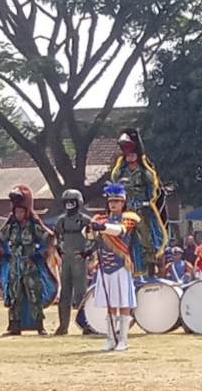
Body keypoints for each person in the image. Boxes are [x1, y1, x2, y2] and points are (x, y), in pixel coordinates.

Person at [0, 185, 59, 336]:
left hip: (30, 266)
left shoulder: (33, 224)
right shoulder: (11, 224)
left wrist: (40, 255)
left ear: (26, 211)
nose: (18, 214)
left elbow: (49, 237)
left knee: (34, 294)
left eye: (21, 211)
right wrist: (2, 252)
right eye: (16, 211)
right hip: (14, 265)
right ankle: (14, 326)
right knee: (14, 295)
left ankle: (39, 325)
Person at [83, 182, 140, 352]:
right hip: (105, 266)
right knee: (110, 305)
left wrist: (102, 227)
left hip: (120, 264)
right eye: (110, 201)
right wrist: (90, 228)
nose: (113, 204)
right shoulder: (101, 219)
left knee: (123, 302)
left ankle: (123, 339)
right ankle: (110, 338)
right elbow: (88, 235)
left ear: (123, 203)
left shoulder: (129, 218)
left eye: (116, 201)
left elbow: (120, 230)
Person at [110, 128, 169, 278]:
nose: (129, 157)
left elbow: (153, 189)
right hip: (125, 210)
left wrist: (146, 202)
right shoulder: (120, 171)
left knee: (145, 238)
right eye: (127, 154)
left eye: (132, 154)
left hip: (141, 210)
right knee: (121, 237)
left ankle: (151, 263)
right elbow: (115, 185)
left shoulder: (145, 172)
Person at [53, 189, 91, 335]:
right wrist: (59, 251)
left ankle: (86, 324)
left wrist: (87, 252)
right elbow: (56, 237)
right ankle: (63, 326)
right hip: (66, 260)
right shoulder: (61, 221)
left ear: (78, 202)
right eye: (67, 202)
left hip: (79, 259)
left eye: (72, 202)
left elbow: (95, 237)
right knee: (65, 293)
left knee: (81, 293)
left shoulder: (85, 220)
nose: (69, 205)